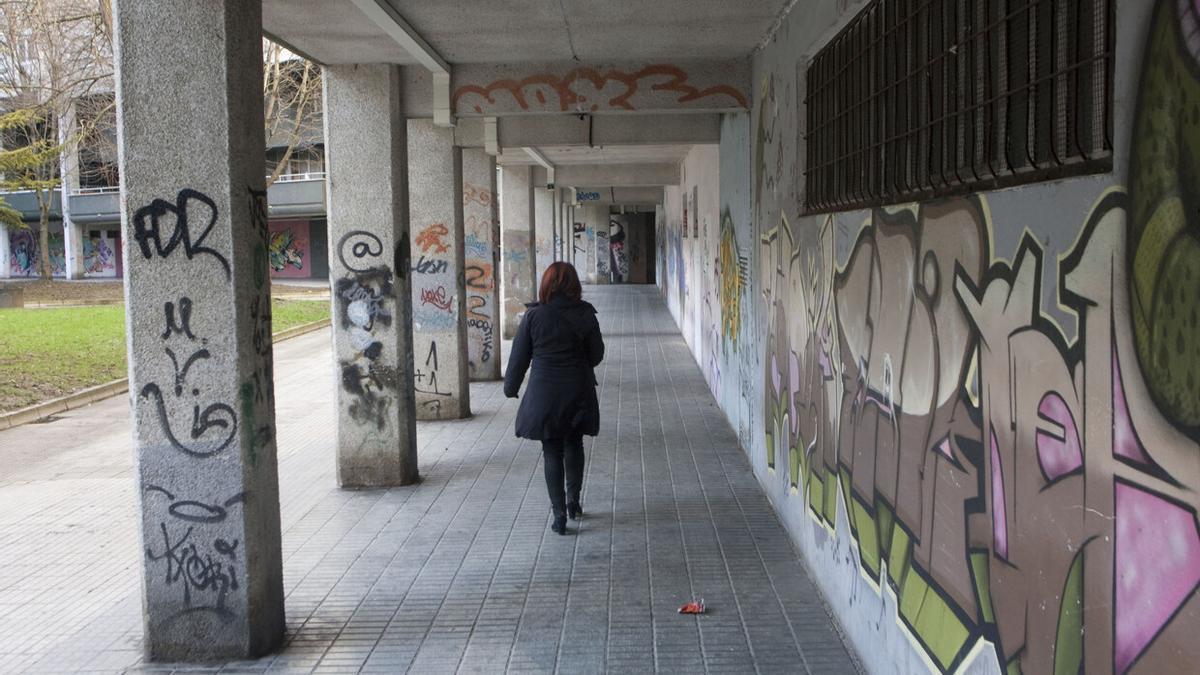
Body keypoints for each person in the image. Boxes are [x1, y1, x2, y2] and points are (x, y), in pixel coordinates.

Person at [504, 262, 605, 535]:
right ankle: (574, 501)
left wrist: (510, 387)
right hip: (577, 390)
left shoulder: (534, 317)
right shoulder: (586, 315)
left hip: (545, 393)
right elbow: (596, 355)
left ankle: (559, 514)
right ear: (575, 285)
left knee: (552, 450)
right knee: (574, 443)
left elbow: (519, 359)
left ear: (546, 285)